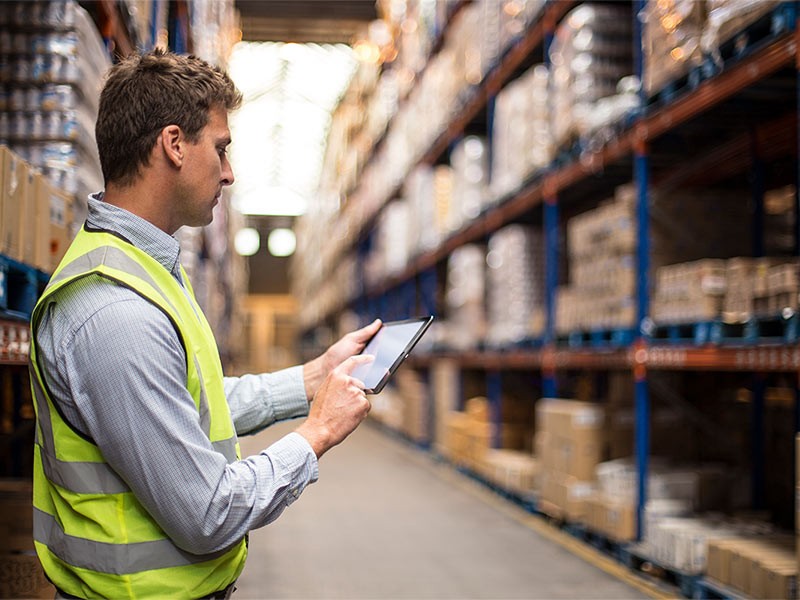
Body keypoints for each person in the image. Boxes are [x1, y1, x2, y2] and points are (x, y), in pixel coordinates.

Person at [28, 49, 380, 600]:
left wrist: (311, 379)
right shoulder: (114, 309)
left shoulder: (148, 271)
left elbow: (187, 407)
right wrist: (317, 433)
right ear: (173, 145)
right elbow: (208, 512)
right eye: (220, 149)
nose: (230, 172)